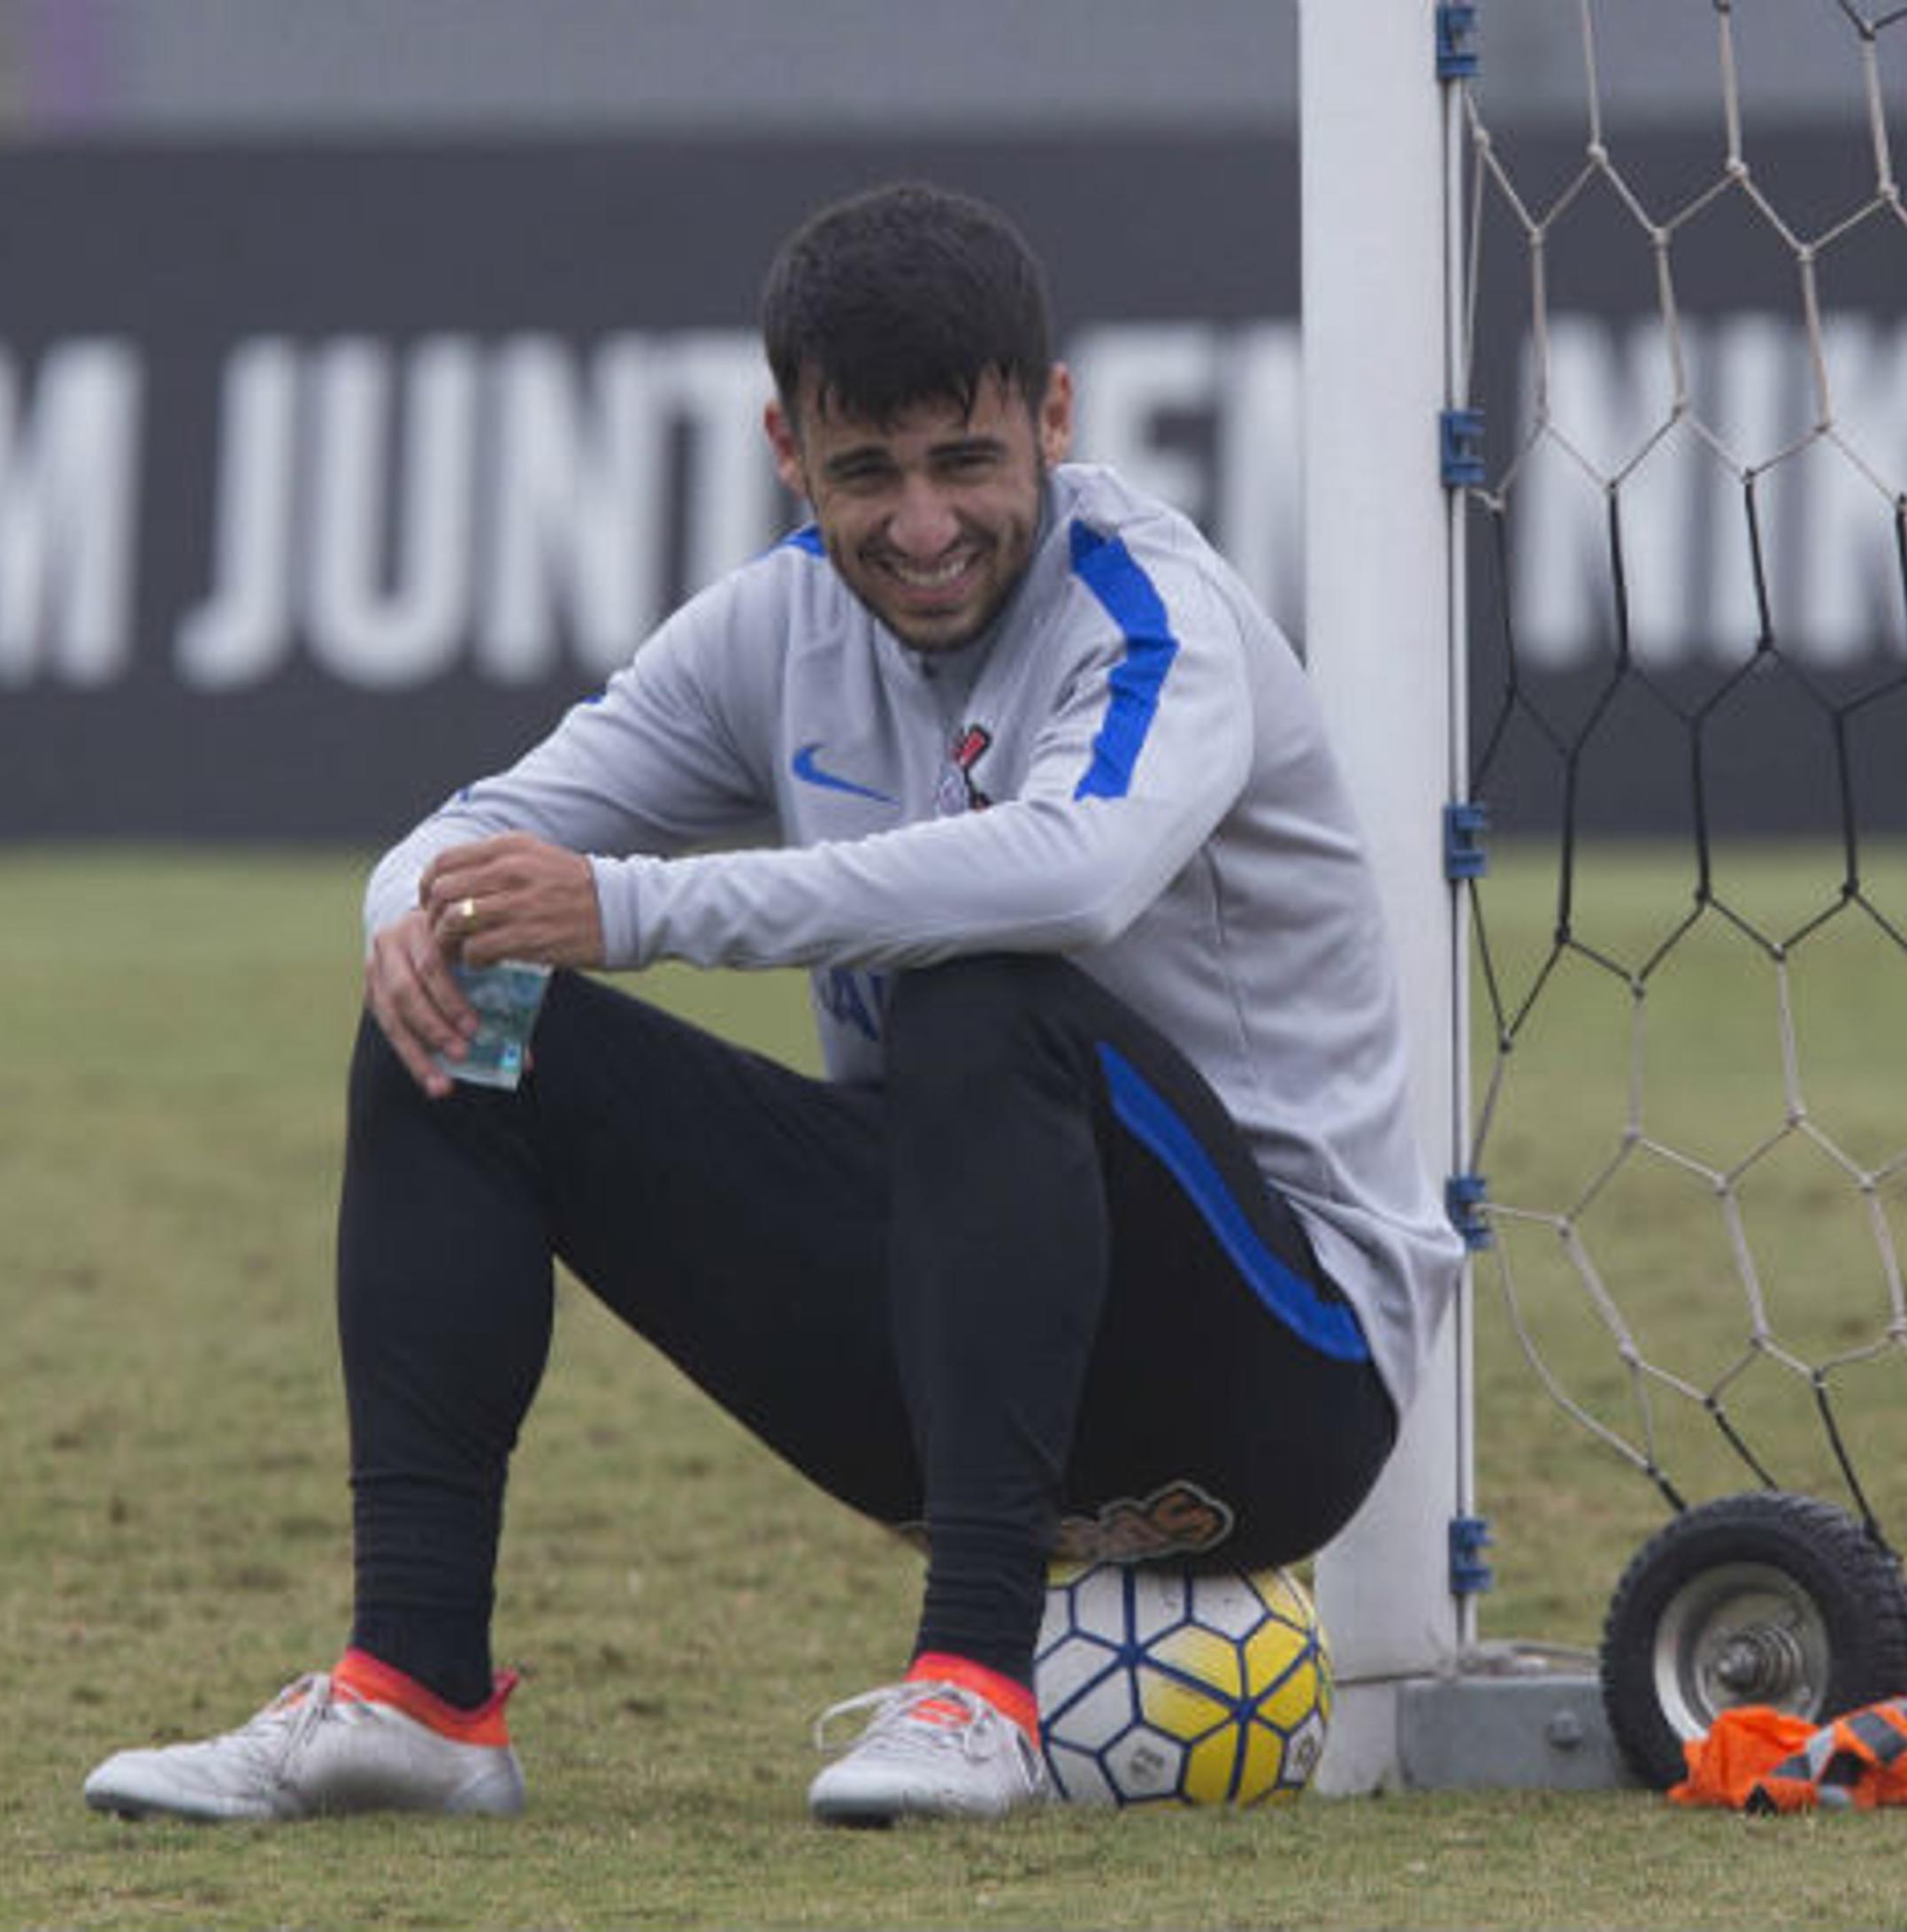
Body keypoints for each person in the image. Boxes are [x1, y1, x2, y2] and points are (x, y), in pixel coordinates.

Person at [80, 180, 1459, 1827]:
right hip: (956, 1384)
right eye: (866, 474)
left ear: (1057, 421)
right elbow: (472, 828)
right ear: (789, 452)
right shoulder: (775, 626)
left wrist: (635, 908)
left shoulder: (1157, 610)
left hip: (1281, 1381)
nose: (924, 525)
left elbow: (1073, 878)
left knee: (976, 986)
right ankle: (416, 1696)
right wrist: (417, 916)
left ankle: (971, 1690)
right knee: (464, 1024)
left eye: (967, 463)